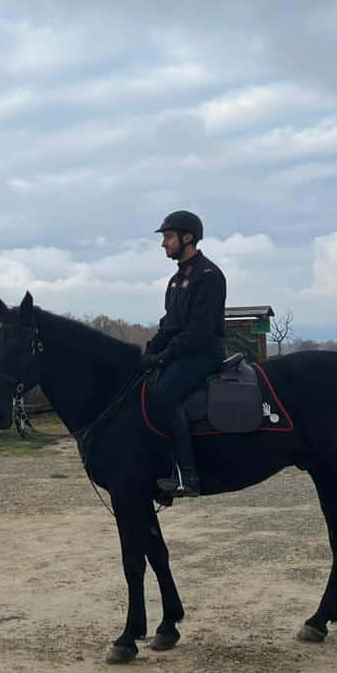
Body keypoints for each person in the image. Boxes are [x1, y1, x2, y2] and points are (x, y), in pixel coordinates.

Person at [140, 211, 226, 498]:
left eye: (168, 237)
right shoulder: (176, 280)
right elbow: (170, 325)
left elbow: (199, 332)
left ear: (187, 237)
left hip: (203, 354)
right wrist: (148, 352)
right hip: (181, 353)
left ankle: (186, 474)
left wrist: (164, 357)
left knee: (164, 395)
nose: (163, 244)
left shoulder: (209, 276)